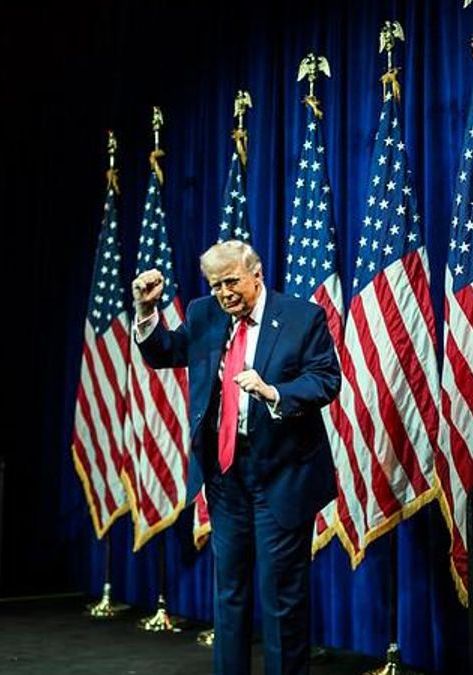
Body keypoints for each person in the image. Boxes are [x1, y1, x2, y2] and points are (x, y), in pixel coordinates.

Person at [131, 240, 340, 675]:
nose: (224, 293)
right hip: (226, 476)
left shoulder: (303, 317)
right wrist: (146, 310)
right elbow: (165, 352)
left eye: (231, 282)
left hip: (282, 473)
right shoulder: (206, 313)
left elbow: (326, 379)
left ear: (256, 274)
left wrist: (274, 392)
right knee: (229, 594)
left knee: (281, 596)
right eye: (215, 284)